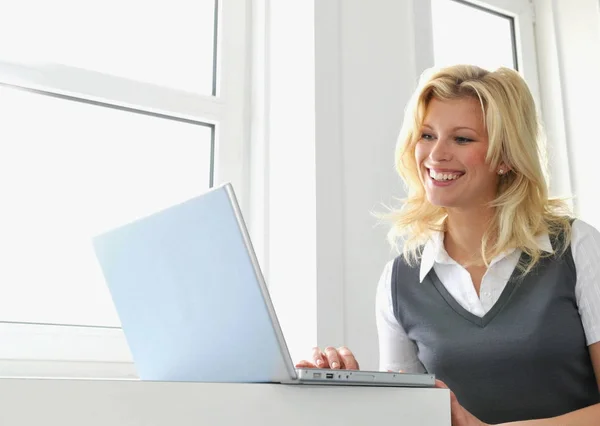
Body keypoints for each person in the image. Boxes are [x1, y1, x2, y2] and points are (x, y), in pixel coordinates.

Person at [295, 65, 600, 425]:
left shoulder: (575, 248)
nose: (435, 155)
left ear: (504, 157)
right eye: (426, 135)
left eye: (462, 139)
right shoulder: (399, 279)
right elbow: (409, 418)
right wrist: (352, 394)